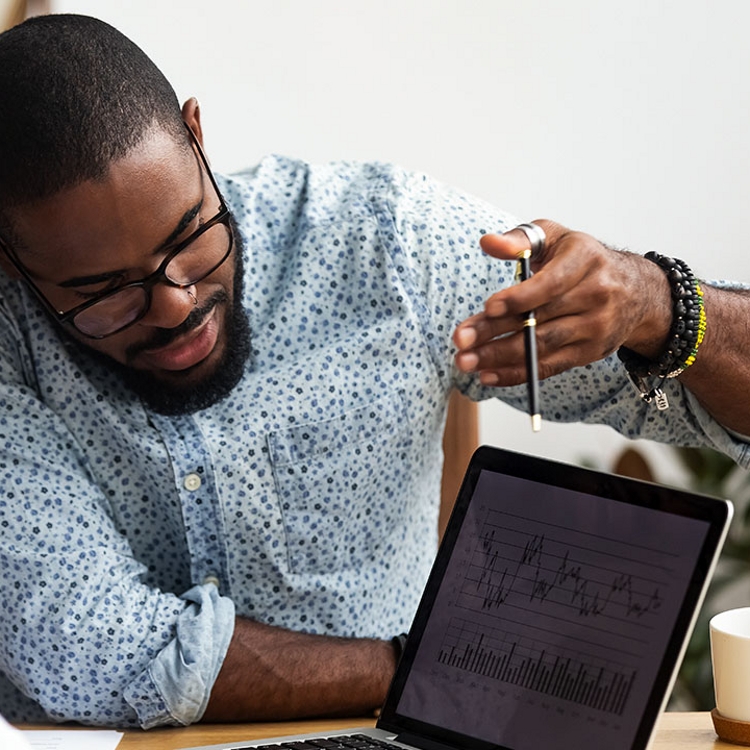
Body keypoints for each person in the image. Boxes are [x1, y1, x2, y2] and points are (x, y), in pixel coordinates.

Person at [0, 12, 749, 730]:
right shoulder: (8, 342)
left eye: (190, 235)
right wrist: (429, 670)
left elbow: (721, 411)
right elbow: (88, 647)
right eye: (104, 292)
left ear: (196, 134)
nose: (175, 304)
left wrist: (663, 305)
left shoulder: (384, 242)